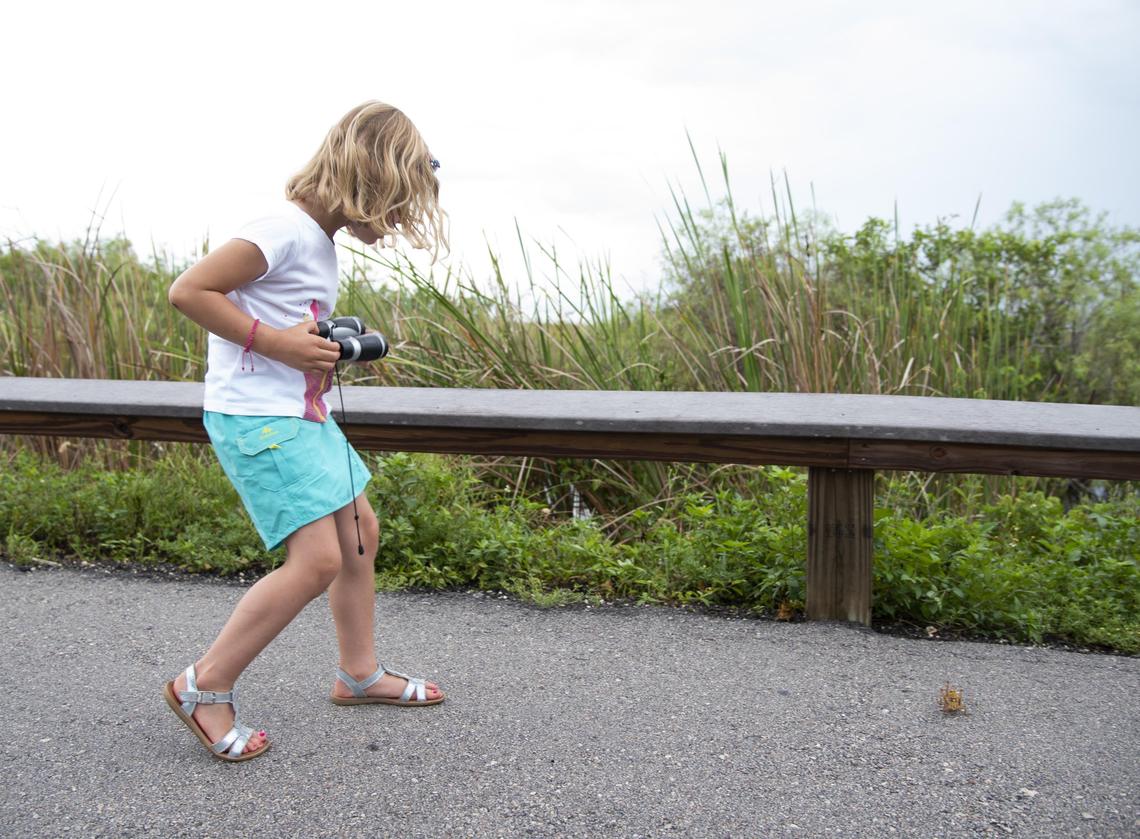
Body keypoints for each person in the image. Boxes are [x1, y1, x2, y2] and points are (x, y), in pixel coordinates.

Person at [164, 101, 448, 762]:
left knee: (358, 533)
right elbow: (190, 291)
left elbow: (283, 322)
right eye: (398, 203)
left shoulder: (316, 241)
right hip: (258, 418)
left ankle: (359, 672)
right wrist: (280, 345)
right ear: (369, 179)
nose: (402, 221)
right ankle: (203, 685)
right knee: (318, 558)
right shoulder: (281, 228)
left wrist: (314, 347)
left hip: (300, 413)